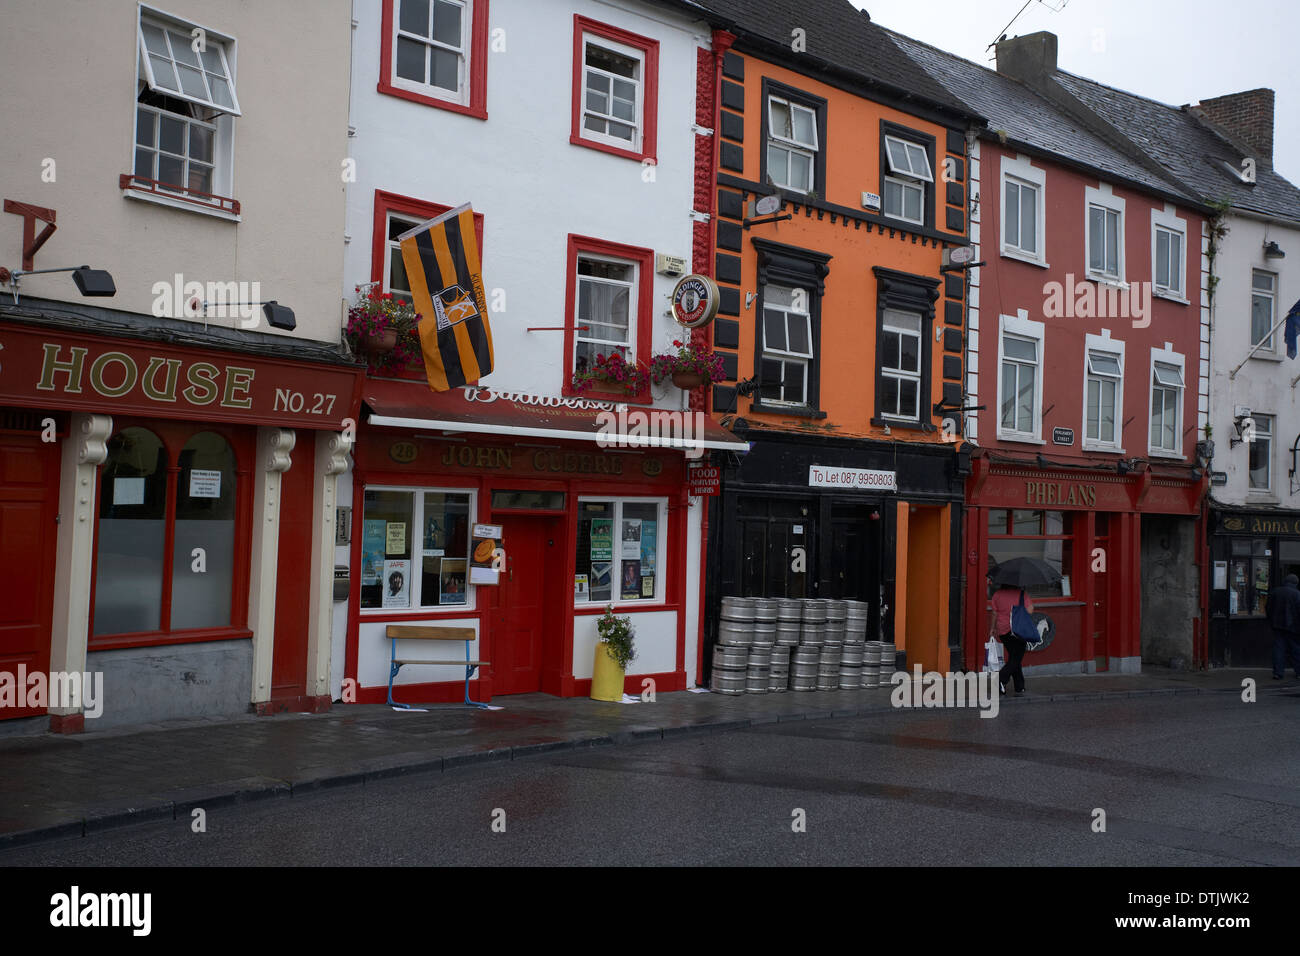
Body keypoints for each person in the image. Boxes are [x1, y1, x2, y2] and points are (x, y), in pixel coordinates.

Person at [989, 584, 1034, 696]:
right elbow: (1030, 610)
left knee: (1014, 657)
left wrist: (993, 628)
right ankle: (1000, 679)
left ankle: (1019, 686)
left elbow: (994, 613)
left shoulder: (997, 595)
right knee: (1016, 658)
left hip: (1003, 631)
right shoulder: (1022, 594)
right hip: (1018, 630)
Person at [1265, 573, 1300, 680]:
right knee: (1296, 649)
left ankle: (1278, 673)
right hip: (1293, 626)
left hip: (1278, 625)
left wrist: (1271, 621)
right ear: (1295, 583)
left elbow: (1268, 607)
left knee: (1279, 649)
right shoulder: (1297, 594)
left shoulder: (1275, 592)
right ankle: (1298, 672)